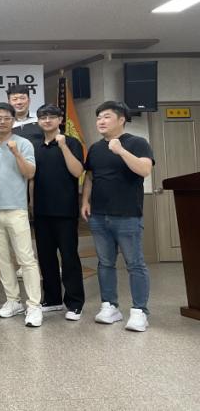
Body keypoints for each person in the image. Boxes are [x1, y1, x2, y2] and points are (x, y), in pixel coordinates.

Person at [81, 101, 154, 332]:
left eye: (106, 117)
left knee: (135, 264)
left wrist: (121, 150)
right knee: (105, 263)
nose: (100, 121)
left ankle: (140, 311)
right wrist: (85, 201)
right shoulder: (95, 148)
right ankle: (110, 306)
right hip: (99, 215)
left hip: (127, 215)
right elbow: (90, 176)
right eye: (98, 117)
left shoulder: (137, 143)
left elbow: (145, 170)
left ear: (121, 119)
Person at [0, 103, 43, 327]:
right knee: (2, 259)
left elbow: (30, 173)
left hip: (16, 208)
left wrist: (16, 153)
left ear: (13, 121)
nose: (3, 121)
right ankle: (13, 301)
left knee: (26, 259)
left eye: (7, 118)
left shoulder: (23, 144)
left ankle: (34, 305)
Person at [31, 104, 85, 321]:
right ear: (38, 121)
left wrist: (62, 146)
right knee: (46, 258)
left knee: (69, 258)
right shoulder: (35, 145)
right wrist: (31, 205)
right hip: (41, 211)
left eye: (51, 117)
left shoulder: (71, 142)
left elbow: (78, 171)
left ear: (60, 119)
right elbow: (32, 178)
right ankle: (52, 299)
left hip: (65, 211)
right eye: (43, 117)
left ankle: (74, 303)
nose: (47, 120)